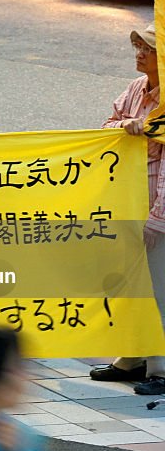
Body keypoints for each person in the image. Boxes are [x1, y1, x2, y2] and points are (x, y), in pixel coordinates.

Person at [90, 23, 165, 395]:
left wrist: (158, 219)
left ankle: (161, 369)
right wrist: (126, 128)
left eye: (147, 48)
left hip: (156, 210)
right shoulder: (136, 88)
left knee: (158, 289)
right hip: (129, 203)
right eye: (137, 45)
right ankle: (132, 358)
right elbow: (107, 126)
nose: (138, 52)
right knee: (133, 285)